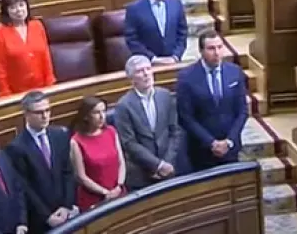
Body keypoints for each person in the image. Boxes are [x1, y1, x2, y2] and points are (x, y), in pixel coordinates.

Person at [5, 92, 76, 233]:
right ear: (26, 114)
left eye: (47, 110)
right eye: (39, 112)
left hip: (66, 212)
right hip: (41, 220)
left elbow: (67, 171)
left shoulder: (60, 134)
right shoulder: (16, 147)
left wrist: (66, 206)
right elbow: (25, 188)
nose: (45, 116)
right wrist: (46, 216)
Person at [177, 30, 249, 171]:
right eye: (211, 48)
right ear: (201, 51)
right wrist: (211, 143)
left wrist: (229, 141)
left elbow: (242, 111)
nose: (217, 53)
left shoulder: (234, 72)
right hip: (201, 150)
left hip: (230, 148)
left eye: (220, 47)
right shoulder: (186, 77)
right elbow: (186, 117)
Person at [114, 55, 183, 190]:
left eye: (148, 69)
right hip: (141, 173)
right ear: (131, 78)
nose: (146, 74)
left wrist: (167, 162)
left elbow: (175, 131)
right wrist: (158, 165)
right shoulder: (123, 106)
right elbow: (129, 143)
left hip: (169, 168)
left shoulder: (165, 95)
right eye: (140, 71)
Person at [0, 0, 56, 98]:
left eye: (21, 5)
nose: (19, 10)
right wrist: (6, 96)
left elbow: (46, 58)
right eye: (13, 7)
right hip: (16, 95)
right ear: (6, 11)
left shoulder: (37, 26)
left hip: (42, 91)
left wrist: (50, 86)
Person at [70, 96, 126, 210]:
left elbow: (121, 162)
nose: (102, 116)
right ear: (86, 116)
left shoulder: (111, 131)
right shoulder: (76, 141)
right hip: (94, 199)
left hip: (119, 193)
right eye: (96, 112)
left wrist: (119, 186)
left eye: (103, 111)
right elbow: (81, 177)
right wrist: (105, 192)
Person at [124, 0, 188, 64]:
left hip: (173, 62)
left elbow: (182, 33)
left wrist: (176, 56)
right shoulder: (134, 8)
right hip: (147, 63)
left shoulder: (176, 3)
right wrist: (153, 58)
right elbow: (132, 39)